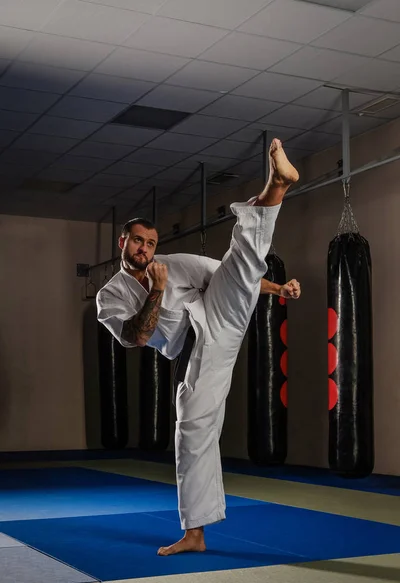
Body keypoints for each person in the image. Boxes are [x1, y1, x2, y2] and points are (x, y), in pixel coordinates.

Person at [97, 138, 301, 556]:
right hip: (196, 357)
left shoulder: (174, 263)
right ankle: (196, 533)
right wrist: (156, 291)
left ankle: (277, 186)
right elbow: (136, 336)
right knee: (192, 434)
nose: (145, 249)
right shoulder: (110, 296)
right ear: (123, 242)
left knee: (239, 261)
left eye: (151, 243)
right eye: (138, 241)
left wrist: (279, 288)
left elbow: (232, 273)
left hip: (218, 317)